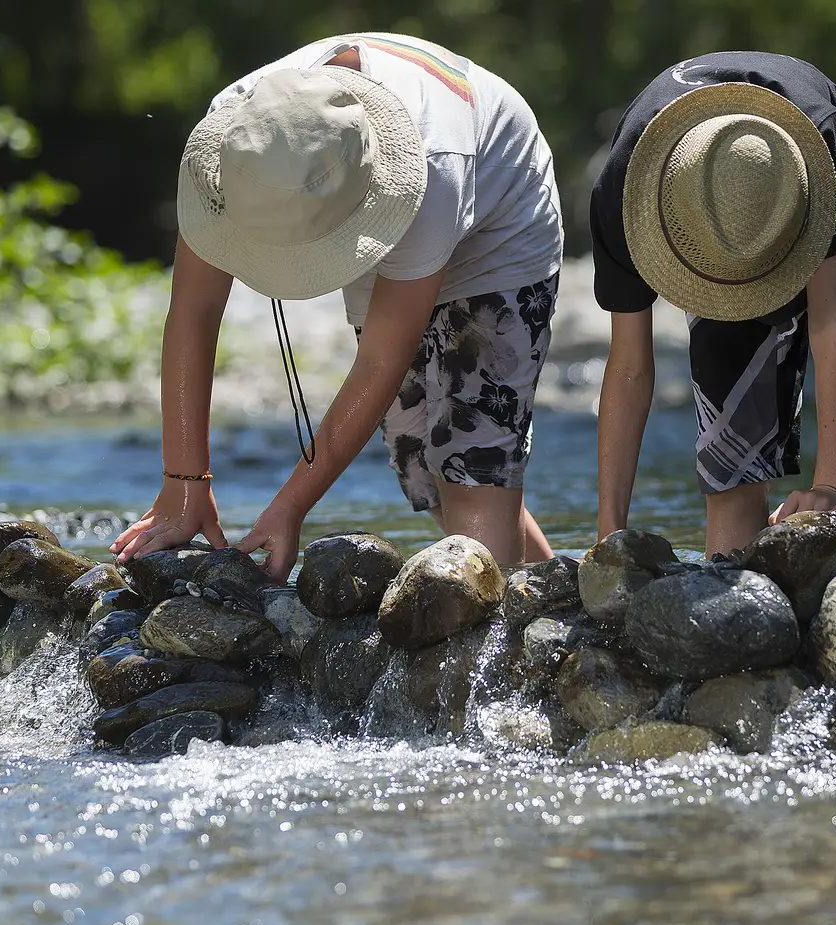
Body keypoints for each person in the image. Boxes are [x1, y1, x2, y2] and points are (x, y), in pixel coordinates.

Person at [111, 33, 563, 578]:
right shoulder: (238, 145)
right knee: (426, 469)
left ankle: (509, 651)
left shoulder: (432, 167)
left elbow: (380, 360)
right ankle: (560, 609)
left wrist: (290, 507)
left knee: (472, 476)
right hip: (365, 197)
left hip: (500, 223)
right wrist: (183, 485)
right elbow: (193, 310)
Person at [590, 52, 836, 557]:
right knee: (732, 475)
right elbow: (628, 370)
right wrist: (607, 535)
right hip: (713, 223)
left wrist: (832, 489)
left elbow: (833, 322)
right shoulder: (625, 196)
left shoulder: (820, 155)